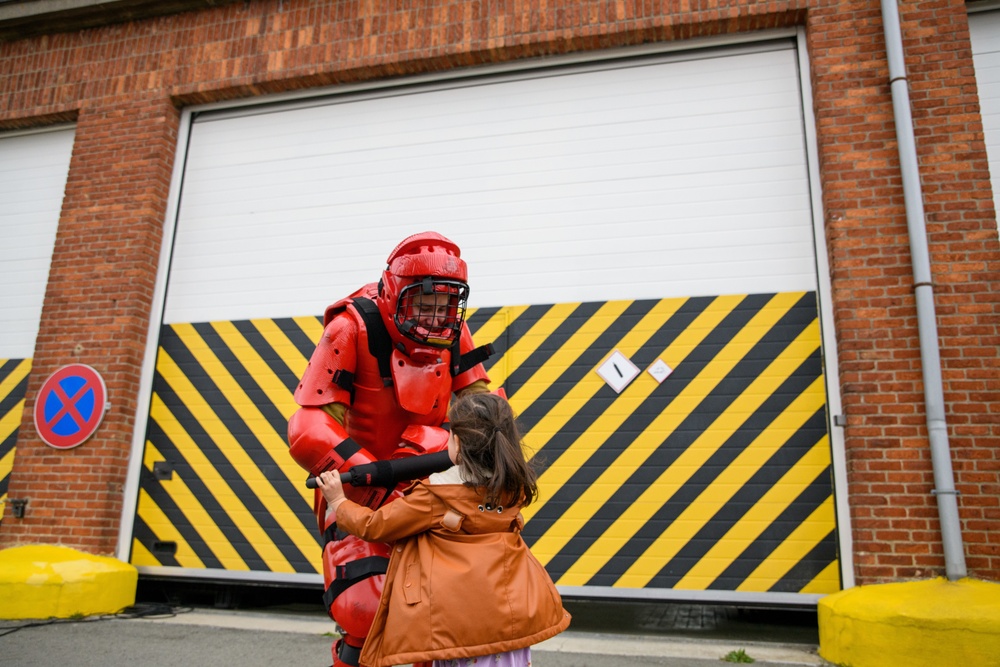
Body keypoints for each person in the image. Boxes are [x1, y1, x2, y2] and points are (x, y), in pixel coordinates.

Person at [287, 232, 496, 667]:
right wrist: (370, 481)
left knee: (438, 612)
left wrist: (498, 460)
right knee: (364, 610)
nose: (436, 317)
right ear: (395, 293)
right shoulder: (351, 327)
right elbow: (308, 428)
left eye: (446, 306)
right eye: (425, 303)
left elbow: (484, 407)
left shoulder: (452, 331)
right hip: (359, 489)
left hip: (430, 488)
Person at [316, 392, 572, 667]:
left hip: (460, 631)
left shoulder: (437, 497)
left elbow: (375, 526)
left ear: (458, 443)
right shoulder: (512, 490)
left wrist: (338, 501)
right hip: (508, 626)